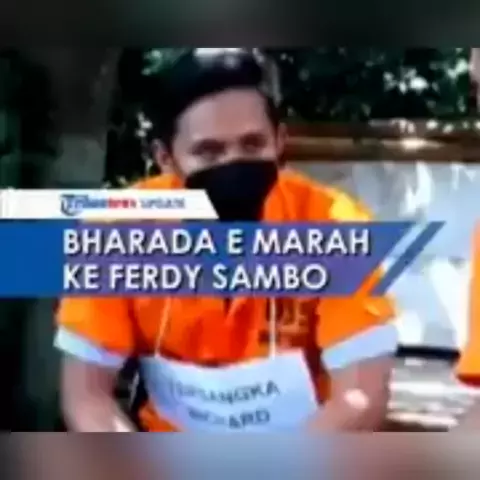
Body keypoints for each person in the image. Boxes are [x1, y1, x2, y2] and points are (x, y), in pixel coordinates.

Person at [54, 49, 398, 432]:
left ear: (279, 141)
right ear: (165, 158)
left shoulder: (337, 228)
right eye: (209, 152)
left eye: (252, 145)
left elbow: (361, 397)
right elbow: (87, 397)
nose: (233, 164)